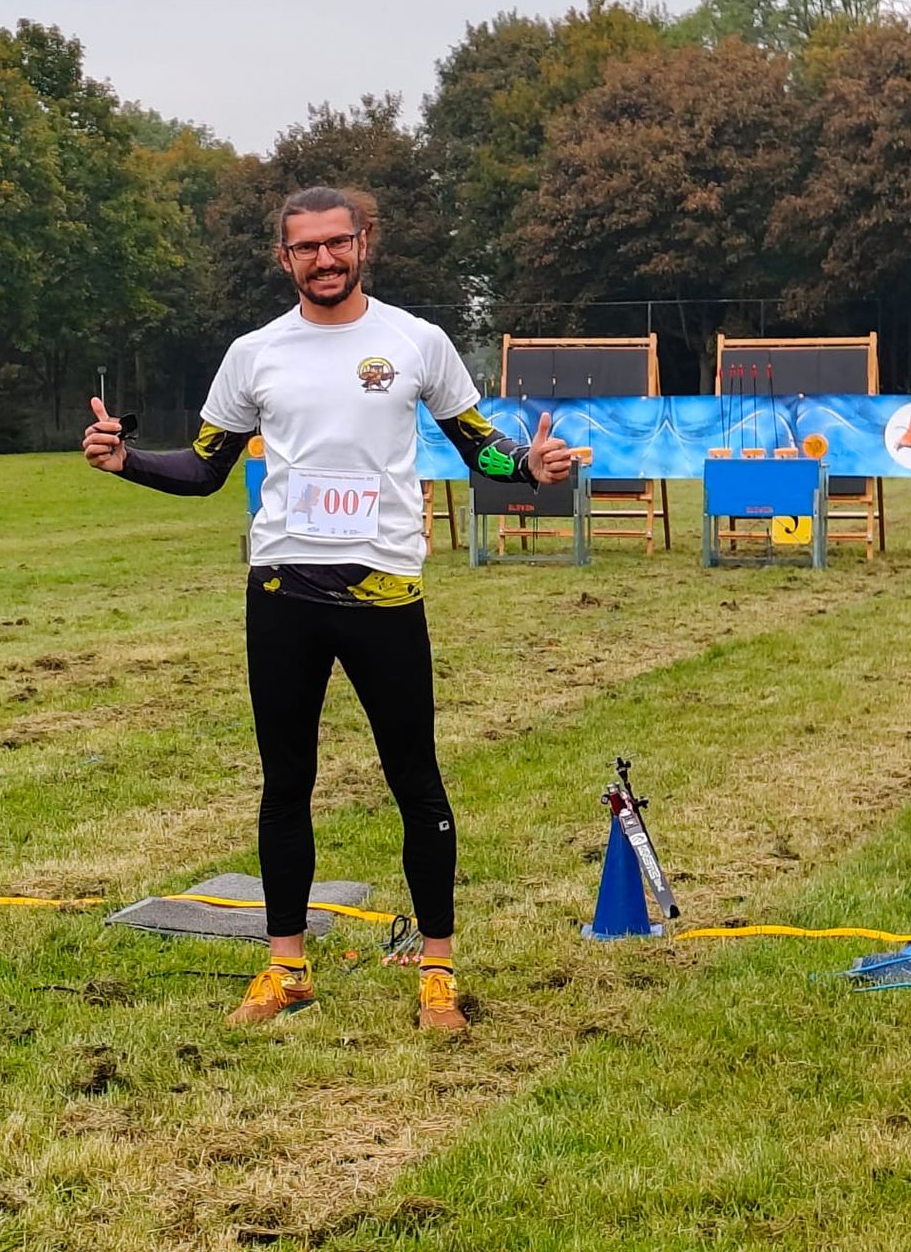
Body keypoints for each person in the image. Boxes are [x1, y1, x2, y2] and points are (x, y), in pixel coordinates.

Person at [83, 186, 571, 1030]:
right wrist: (125, 460)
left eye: (337, 243)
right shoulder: (254, 353)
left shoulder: (416, 341)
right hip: (282, 593)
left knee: (414, 780)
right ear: (284, 257)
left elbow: (473, 443)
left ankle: (438, 976)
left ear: (364, 243)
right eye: (306, 248)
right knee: (287, 784)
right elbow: (204, 468)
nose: (324, 259)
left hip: (383, 589)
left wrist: (525, 468)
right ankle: (286, 972)